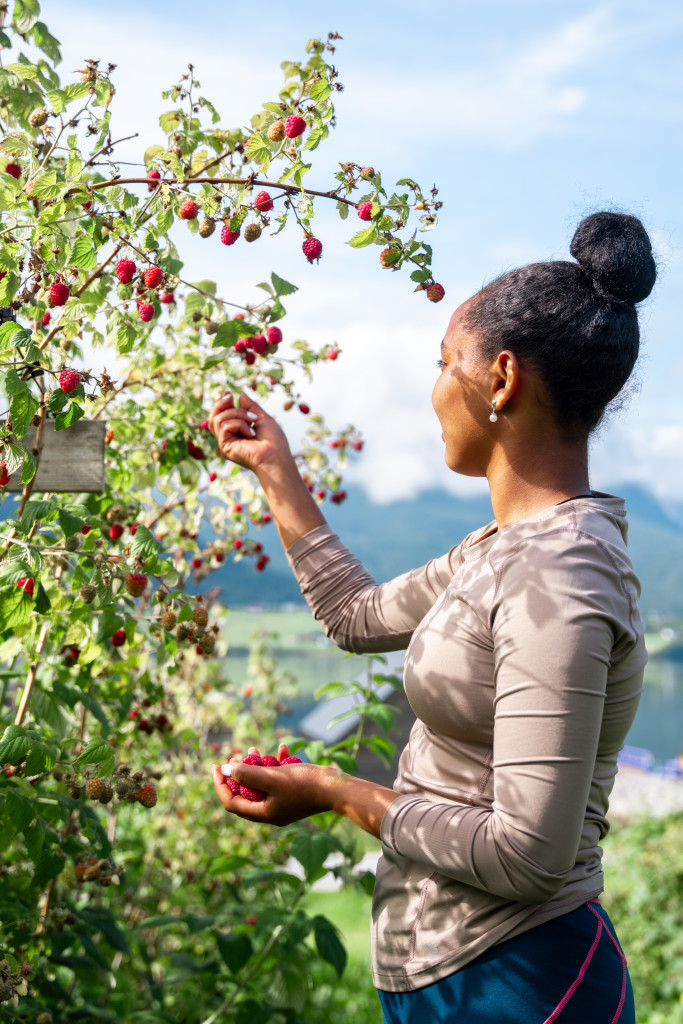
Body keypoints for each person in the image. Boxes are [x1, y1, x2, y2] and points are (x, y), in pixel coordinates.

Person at [209, 210, 656, 1023]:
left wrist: (335, 792)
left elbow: (528, 855)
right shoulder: (501, 551)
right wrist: (276, 472)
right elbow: (355, 614)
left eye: (446, 361)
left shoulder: (557, 577)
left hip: (523, 984)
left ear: (501, 378)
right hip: (449, 978)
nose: (434, 388)